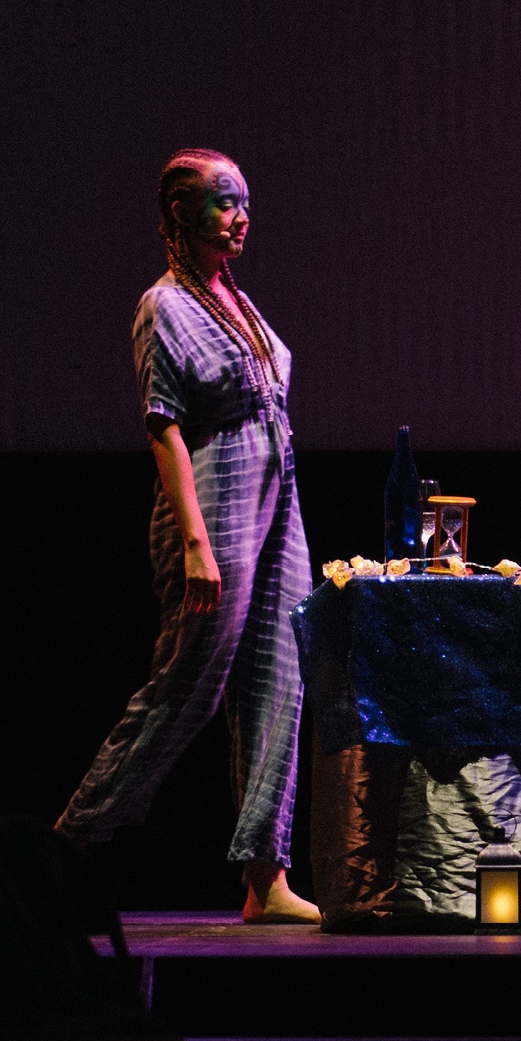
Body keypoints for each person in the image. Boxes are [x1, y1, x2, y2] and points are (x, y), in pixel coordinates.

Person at [56, 149, 319, 925]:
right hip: (214, 502)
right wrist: (198, 544)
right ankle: (66, 853)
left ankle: (264, 875)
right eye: (223, 202)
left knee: (280, 679)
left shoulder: (234, 298)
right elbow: (163, 428)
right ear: (181, 216)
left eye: (244, 202)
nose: (240, 216)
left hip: (280, 500)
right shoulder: (163, 306)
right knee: (187, 688)